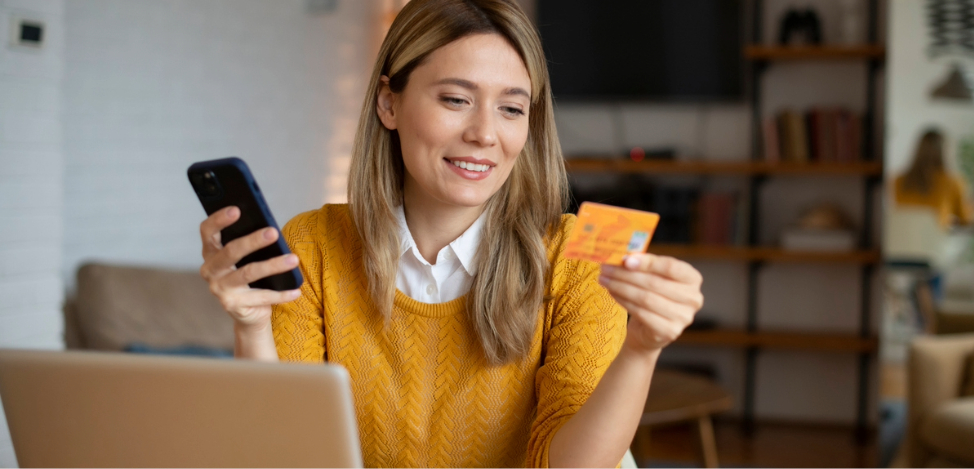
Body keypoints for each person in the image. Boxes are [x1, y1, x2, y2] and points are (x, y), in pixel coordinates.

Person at [197, 0, 704, 466]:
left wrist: (641, 350)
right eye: (457, 99)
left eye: (511, 108)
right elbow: (287, 454)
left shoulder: (579, 255)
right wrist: (251, 326)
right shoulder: (312, 243)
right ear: (388, 105)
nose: (485, 133)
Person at [893, 128, 974, 228]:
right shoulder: (952, 182)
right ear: (944, 152)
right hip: (935, 242)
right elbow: (965, 219)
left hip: (903, 242)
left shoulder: (898, 181)